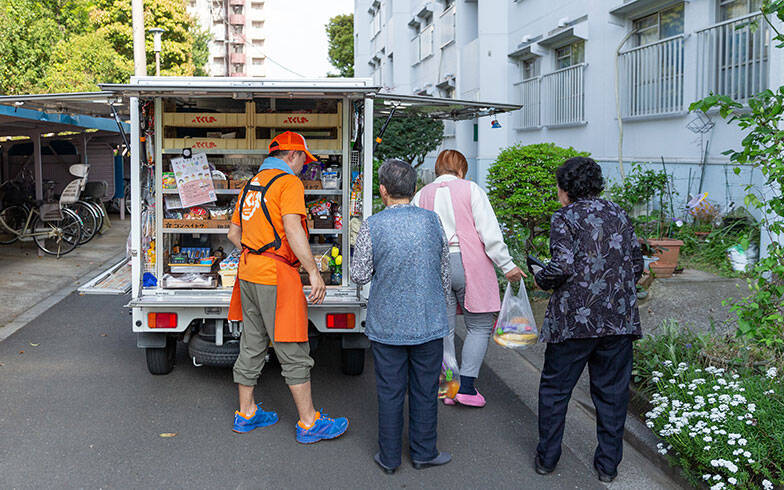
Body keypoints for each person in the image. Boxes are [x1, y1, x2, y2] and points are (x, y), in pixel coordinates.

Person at [226, 131, 349, 444]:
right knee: (292, 347)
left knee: (252, 344)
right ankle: (309, 422)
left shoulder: (251, 184)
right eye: (303, 161)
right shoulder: (288, 183)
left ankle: (246, 413)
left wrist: (257, 253)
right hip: (276, 277)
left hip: (248, 273)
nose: (304, 167)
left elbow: (233, 234)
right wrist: (314, 272)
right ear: (292, 155)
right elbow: (294, 229)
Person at [531, 157, 643, 483]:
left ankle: (547, 459)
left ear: (566, 187)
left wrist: (541, 278)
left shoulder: (565, 217)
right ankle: (607, 467)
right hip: (618, 320)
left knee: (555, 391)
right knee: (612, 395)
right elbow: (636, 264)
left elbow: (562, 266)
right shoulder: (618, 213)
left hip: (574, 321)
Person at [351, 159, 452, 474]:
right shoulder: (432, 221)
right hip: (428, 321)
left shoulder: (373, 225)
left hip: (387, 324)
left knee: (390, 392)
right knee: (425, 390)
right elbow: (444, 271)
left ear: (383, 190)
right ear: (415, 188)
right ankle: (424, 453)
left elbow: (359, 275)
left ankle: (390, 458)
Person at [412, 149, 524, 407]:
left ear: (438, 169)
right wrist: (507, 265)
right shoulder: (471, 189)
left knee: (444, 329)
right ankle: (467, 388)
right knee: (479, 326)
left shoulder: (422, 194)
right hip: (470, 264)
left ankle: (449, 388)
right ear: (461, 170)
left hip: (435, 266)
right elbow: (489, 233)